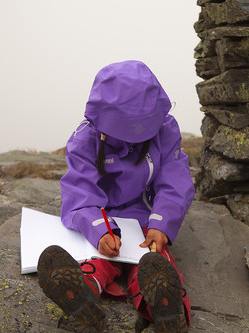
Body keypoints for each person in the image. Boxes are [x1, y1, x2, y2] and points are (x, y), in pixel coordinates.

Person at [37, 60, 195, 332]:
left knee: (153, 261)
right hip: (103, 218)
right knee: (98, 256)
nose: (133, 139)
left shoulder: (166, 130)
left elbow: (174, 181)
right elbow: (81, 193)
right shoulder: (84, 139)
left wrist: (162, 224)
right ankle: (82, 298)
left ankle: (169, 311)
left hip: (148, 218)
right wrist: (99, 231)